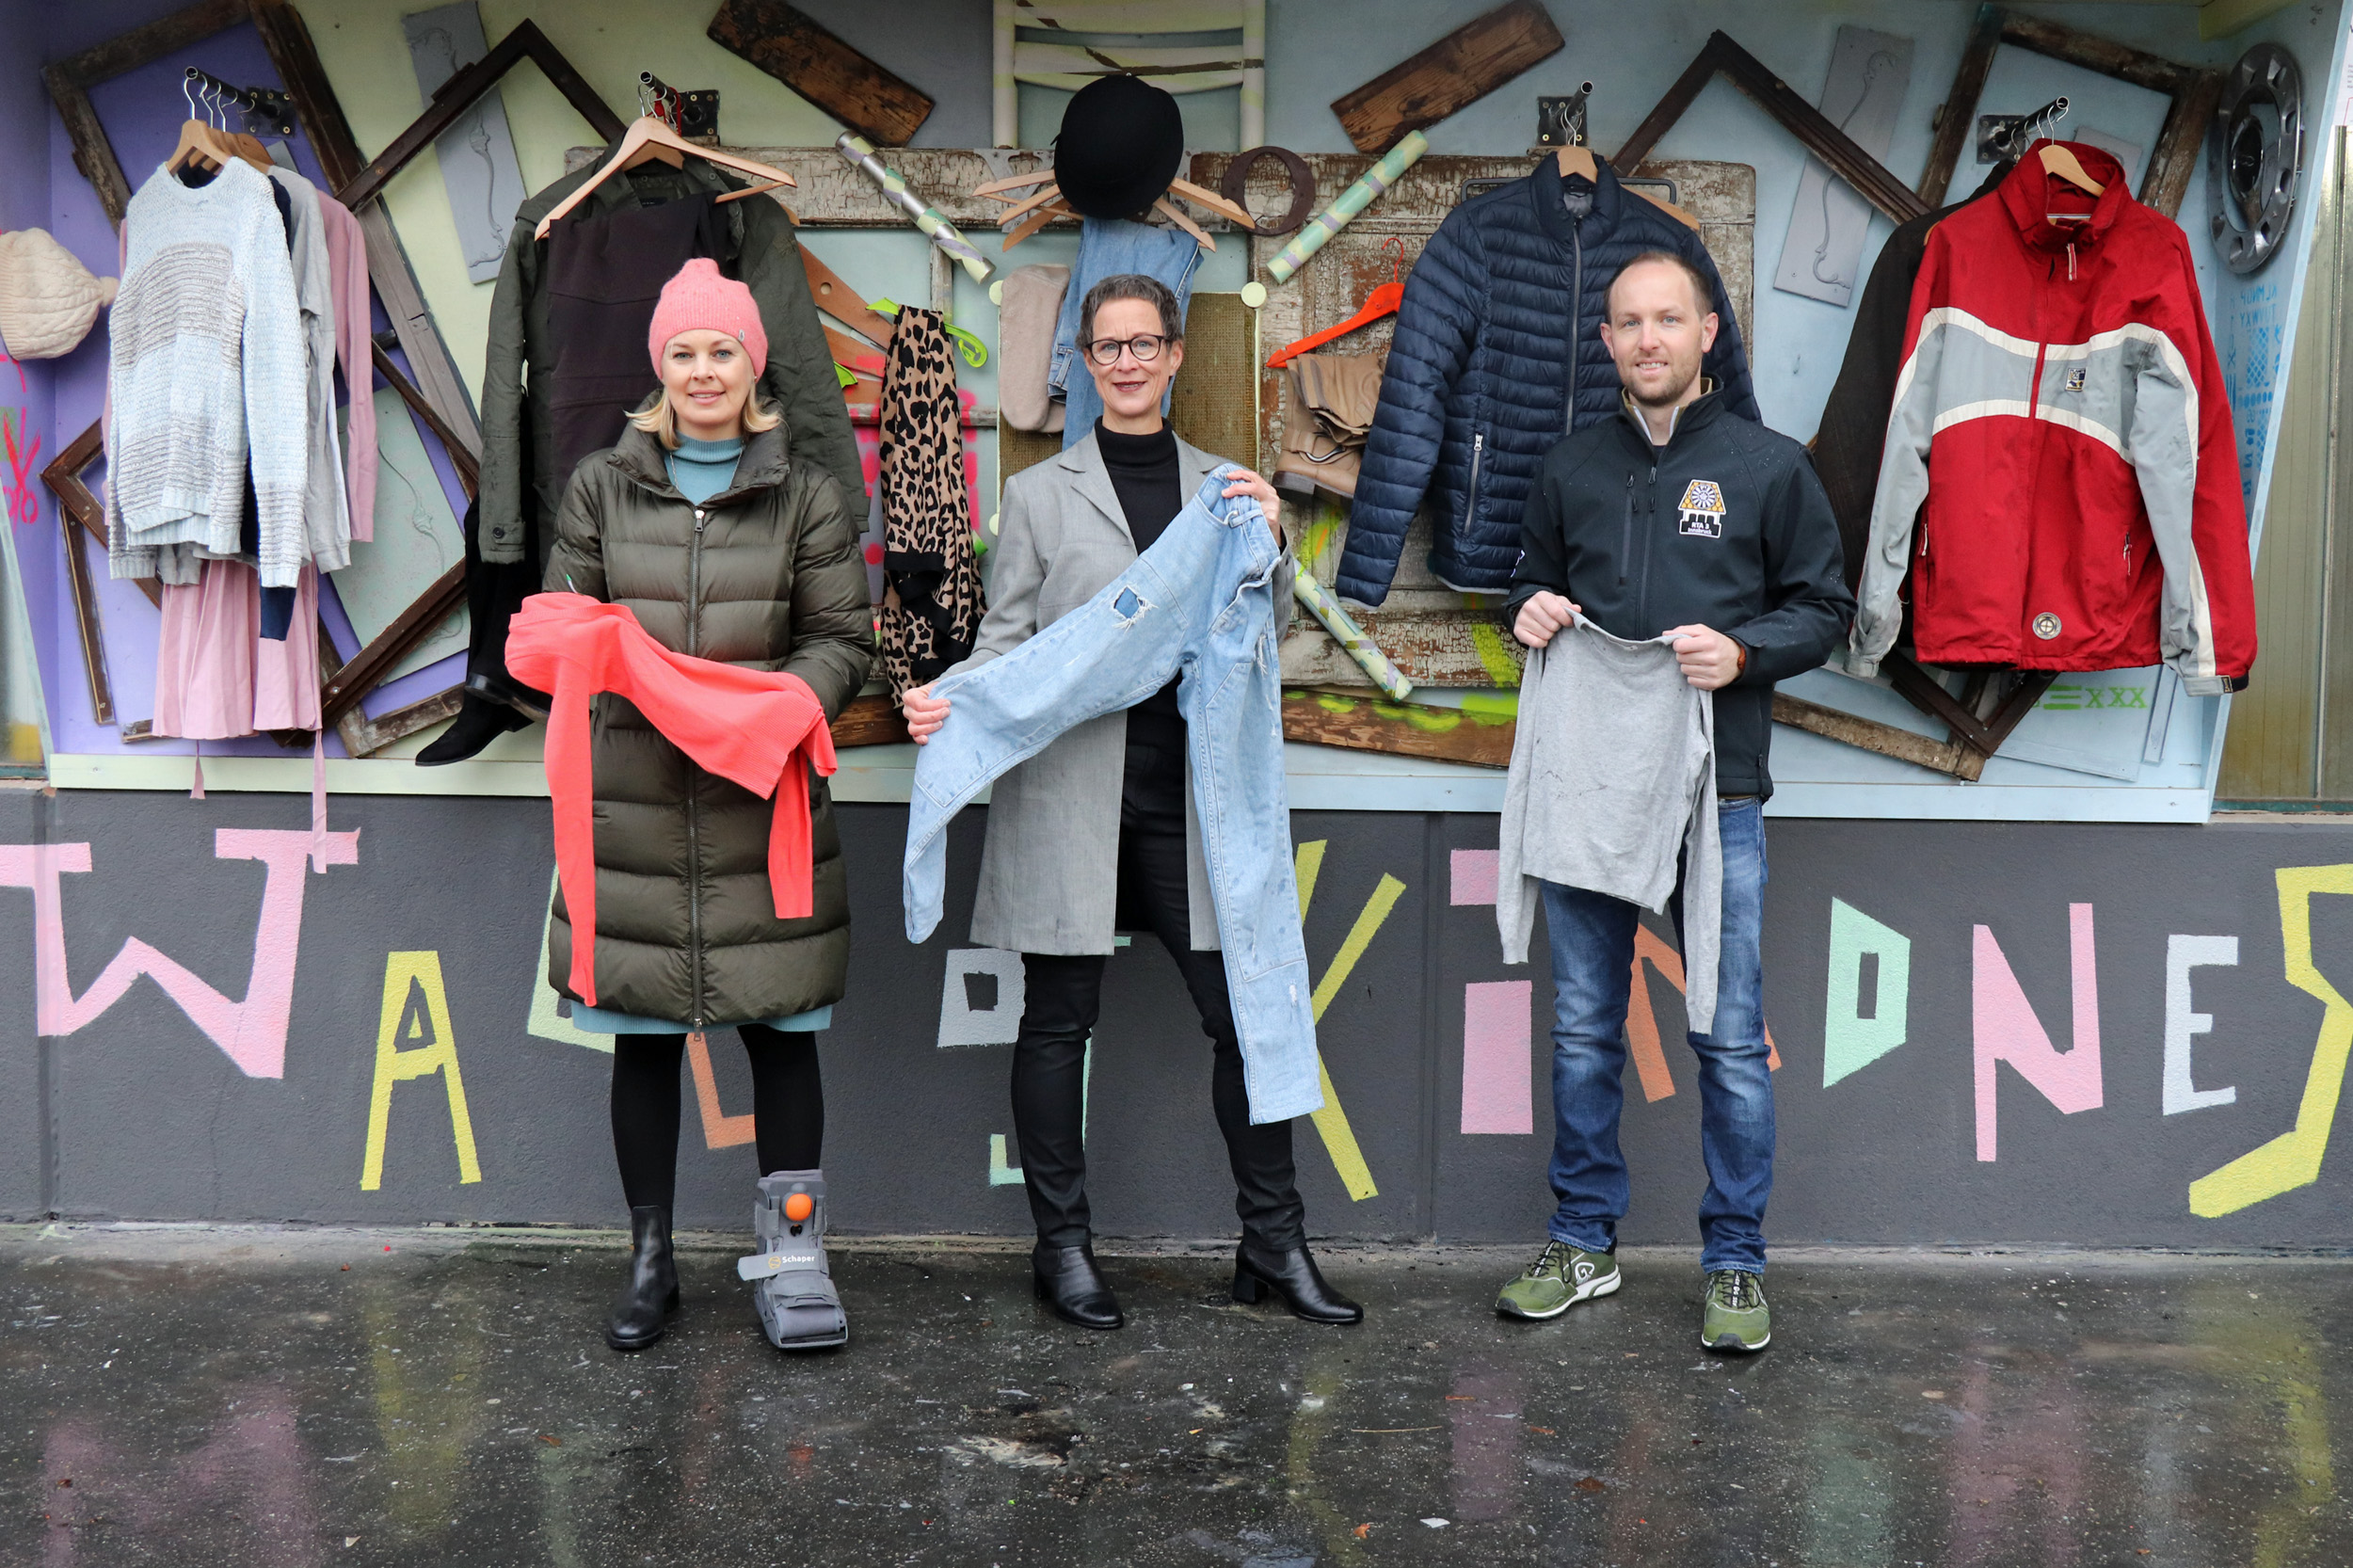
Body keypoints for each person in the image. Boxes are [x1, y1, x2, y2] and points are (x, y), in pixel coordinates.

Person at [901, 275, 1361, 1330]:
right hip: (1068, 795)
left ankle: (1272, 1245)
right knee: (1058, 1020)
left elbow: (1265, 627)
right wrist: (954, 701)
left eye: (1143, 342)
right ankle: (1061, 1250)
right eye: (1105, 345)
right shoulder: (1042, 494)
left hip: (1192, 802)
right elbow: (1010, 643)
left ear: (1173, 354)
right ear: (1083, 359)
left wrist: (1276, 538)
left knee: (1243, 1014)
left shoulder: (1224, 486)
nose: (1125, 361)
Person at [1494, 252, 1852, 1352]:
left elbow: (1823, 608)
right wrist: (1531, 610)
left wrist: (1743, 652)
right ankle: (1583, 1239)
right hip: (1591, 781)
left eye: (1667, 321)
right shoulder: (1568, 468)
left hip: (1719, 791)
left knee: (1728, 1040)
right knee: (1583, 1031)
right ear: (1605, 340)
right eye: (1627, 323)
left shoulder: (1769, 467)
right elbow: (1527, 580)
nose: (1647, 340)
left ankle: (1735, 1260)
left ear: (1706, 334)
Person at [541, 259, 872, 1354]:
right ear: (659, 368)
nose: (701, 371)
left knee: (783, 1035)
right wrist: (630, 672)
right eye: (682, 352)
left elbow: (843, 643)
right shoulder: (600, 487)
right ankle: (651, 1261)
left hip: (759, 805)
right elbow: (559, 626)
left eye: (720, 350)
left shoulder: (807, 494)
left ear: (752, 364)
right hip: (630, 809)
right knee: (641, 1038)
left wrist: (773, 714)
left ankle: (796, 1257)